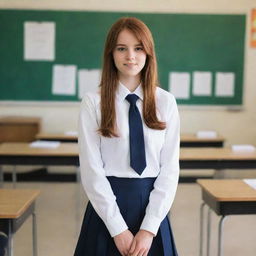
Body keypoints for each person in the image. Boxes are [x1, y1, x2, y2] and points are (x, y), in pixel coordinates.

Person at [74, 17, 180, 256]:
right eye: (122, 48)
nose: (130, 56)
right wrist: (117, 228)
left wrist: (149, 229)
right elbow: (91, 171)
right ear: (111, 53)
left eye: (138, 48)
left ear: (148, 52)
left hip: (152, 208)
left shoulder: (166, 102)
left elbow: (170, 169)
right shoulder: (94, 102)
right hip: (107, 207)